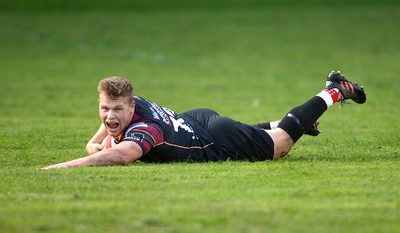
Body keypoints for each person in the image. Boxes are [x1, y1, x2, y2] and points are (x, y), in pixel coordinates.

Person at [42, 71, 366, 170]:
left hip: (211, 139)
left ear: (129, 107)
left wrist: (56, 168)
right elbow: (106, 138)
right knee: (263, 134)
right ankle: (293, 121)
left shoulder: (145, 130)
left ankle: (335, 90)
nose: (110, 117)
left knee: (281, 146)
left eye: (116, 110)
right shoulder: (131, 104)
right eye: (104, 109)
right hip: (196, 120)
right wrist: (94, 141)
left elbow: (117, 154)